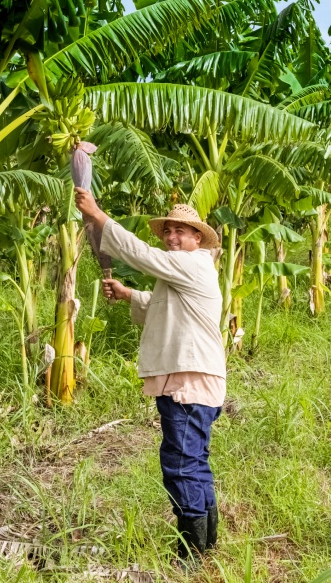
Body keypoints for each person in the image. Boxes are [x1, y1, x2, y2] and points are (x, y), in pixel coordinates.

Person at [74, 188, 227, 562]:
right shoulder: (184, 272)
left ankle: (190, 555)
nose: (172, 237)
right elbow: (163, 307)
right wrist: (130, 296)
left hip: (187, 381)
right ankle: (206, 546)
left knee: (180, 463)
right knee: (194, 461)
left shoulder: (194, 263)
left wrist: (98, 215)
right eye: (168, 231)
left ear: (197, 238)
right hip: (194, 378)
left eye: (181, 231)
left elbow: (143, 255)